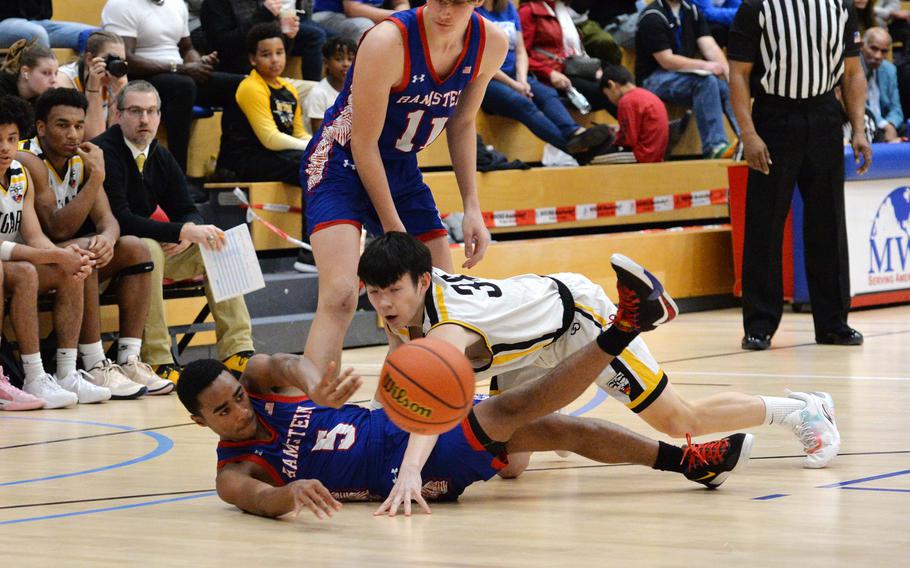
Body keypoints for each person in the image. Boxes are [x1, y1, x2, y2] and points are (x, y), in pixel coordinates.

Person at [177, 253, 755, 519]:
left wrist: (313, 383)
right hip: (399, 466)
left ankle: (690, 462)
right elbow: (255, 500)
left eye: (237, 397)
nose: (239, 410)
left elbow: (282, 366)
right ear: (201, 424)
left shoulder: (255, 386)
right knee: (522, 407)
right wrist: (289, 492)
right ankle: (625, 328)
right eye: (222, 412)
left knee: (550, 429)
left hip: (397, 422)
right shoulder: (236, 469)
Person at [358, 232, 841, 512]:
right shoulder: (403, 306)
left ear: (422, 281)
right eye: (374, 293)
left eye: (392, 291)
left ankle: (802, 411)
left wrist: (409, 472)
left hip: (574, 320)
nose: (383, 303)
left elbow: (430, 407)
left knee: (679, 420)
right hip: (522, 345)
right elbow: (400, 379)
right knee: (514, 467)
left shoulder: (446, 327)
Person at [300, 2, 508, 383]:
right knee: (342, 292)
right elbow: (364, 144)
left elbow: (462, 123)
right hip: (339, 160)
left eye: (458, 1)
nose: (446, 10)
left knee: (440, 300)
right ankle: (312, 412)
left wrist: (472, 207)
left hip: (399, 166)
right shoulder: (387, 41)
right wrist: (394, 230)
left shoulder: (491, 41)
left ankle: (405, 408)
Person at [728, 0, 872, 350]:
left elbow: (852, 73)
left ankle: (833, 323)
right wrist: (748, 135)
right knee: (765, 223)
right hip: (774, 117)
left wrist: (858, 128)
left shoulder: (839, 6)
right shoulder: (757, 6)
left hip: (824, 115)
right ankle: (759, 325)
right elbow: (738, 74)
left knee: (829, 225)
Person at [94, 81, 255, 384]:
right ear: (118, 114)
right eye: (136, 111)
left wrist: (188, 232)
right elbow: (121, 219)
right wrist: (179, 230)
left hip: (148, 256)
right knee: (149, 248)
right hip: (109, 258)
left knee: (218, 240)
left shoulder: (159, 153)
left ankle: (238, 350)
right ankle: (157, 358)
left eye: (152, 111)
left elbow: (186, 207)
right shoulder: (106, 152)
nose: (145, 119)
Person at [19, 88, 174, 397]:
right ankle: (93, 363)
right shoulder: (28, 159)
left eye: (78, 125)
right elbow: (57, 228)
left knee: (135, 247)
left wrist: (107, 237)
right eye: (62, 125)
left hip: (57, 257)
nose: (73, 134)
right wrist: (96, 179)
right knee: (82, 253)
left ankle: (129, 358)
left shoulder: (82, 156)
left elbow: (109, 219)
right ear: (41, 128)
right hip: (28, 256)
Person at [0, 94, 109, 408]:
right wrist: (54, 254)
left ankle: (66, 372)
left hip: (15, 258)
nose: (6, 147)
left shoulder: (19, 174)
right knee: (27, 270)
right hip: (9, 262)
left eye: (11, 139)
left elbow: (35, 237)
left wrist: (66, 256)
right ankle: (33, 375)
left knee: (71, 267)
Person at [102, 0, 245, 175]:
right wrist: (181, 69)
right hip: (139, 77)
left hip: (177, 73)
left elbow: (187, 48)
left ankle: (227, 167)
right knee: (183, 86)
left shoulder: (176, 4)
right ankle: (178, 175)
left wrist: (197, 63)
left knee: (240, 86)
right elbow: (126, 60)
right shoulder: (121, 5)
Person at [226, 23, 316, 273]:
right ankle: (310, 253)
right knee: (313, 164)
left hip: (276, 158)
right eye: (266, 54)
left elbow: (297, 132)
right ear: (253, 59)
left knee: (326, 163)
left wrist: (320, 146)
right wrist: (317, 147)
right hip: (247, 160)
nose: (275, 60)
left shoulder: (288, 90)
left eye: (279, 52)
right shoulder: (250, 87)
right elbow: (269, 138)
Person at [476, 0, 614, 162]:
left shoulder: (508, 9)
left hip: (517, 76)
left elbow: (521, 51)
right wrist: (515, 85)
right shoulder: (475, 13)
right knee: (523, 103)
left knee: (547, 94)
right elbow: (480, 59)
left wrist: (522, 80)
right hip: (487, 79)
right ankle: (574, 149)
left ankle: (574, 132)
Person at [635, 0, 740, 159]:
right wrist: (706, 66)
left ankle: (746, 139)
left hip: (683, 75)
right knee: (706, 81)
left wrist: (729, 74)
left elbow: (710, 46)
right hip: (652, 79)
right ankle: (714, 146)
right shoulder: (652, 16)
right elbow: (666, 60)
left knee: (724, 85)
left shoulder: (692, 11)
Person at [518, 0, 616, 115]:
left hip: (569, 66)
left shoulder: (559, 9)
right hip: (550, 74)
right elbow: (520, 55)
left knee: (617, 79)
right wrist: (549, 73)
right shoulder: (528, 12)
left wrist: (591, 69)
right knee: (608, 91)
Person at [202, 0, 328, 82]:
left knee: (314, 93)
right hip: (238, 77)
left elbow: (279, 49)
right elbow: (224, 47)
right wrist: (261, 16)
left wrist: (288, 36)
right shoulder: (215, 4)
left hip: (270, 77)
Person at [56, 31, 130, 140]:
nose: (116, 65)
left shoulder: (116, 81)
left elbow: (118, 138)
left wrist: (118, 95)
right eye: (111, 59)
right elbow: (94, 140)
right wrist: (93, 90)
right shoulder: (64, 80)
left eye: (121, 60)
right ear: (89, 59)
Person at [601, 64, 669, 163]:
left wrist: (613, 136)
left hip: (641, 155)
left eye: (608, 95)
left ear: (612, 85)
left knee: (591, 157)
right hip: (655, 154)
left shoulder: (626, 101)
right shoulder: (648, 95)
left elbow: (628, 140)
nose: (610, 100)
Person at [0, 40, 58, 137]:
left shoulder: (42, 99)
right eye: (46, 73)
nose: (54, 80)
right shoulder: (2, 90)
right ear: (25, 72)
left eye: (56, 73)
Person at [304, 37, 356, 134]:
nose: (346, 64)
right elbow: (320, 135)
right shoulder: (318, 94)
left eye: (350, 59)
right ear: (326, 63)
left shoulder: (357, 89)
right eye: (338, 59)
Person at [861, 27, 905, 142]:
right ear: (862, 46)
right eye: (874, 49)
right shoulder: (854, 70)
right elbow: (860, 107)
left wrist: (891, 124)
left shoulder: (890, 69)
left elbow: (896, 108)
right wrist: (885, 125)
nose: (878, 56)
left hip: (887, 124)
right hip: (864, 123)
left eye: (884, 51)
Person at [0, 1, 96, 50]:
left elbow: (45, 13)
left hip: (37, 23)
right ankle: (49, 85)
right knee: (37, 34)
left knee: (95, 35)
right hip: (3, 23)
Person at [313, 0, 411, 43]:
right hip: (326, 15)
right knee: (366, 26)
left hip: (367, 15)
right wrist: (398, 16)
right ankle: (358, 78)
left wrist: (402, 17)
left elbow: (401, 2)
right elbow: (353, 9)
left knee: (403, 26)